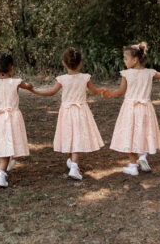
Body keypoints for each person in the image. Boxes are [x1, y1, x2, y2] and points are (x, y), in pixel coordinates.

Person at [101, 42, 160, 176]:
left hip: (130, 109)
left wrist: (110, 93)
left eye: (126, 58)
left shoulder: (127, 74)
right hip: (145, 108)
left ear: (135, 60)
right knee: (144, 132)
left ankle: (132, 166)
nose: (124, 61)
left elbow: (120, 91)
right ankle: (142, 157)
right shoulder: (150, 73)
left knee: (131, 135)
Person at [29, 47, 105, 181]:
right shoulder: (85, 78)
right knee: (77, 136)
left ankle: (73, 164)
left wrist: (35, 91)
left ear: (64, 63)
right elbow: (93, 91)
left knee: (72, 135)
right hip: (80, 111)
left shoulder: (62, 79)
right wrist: (101, 90)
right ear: (80, 63)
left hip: (67, 112)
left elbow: (51, 92)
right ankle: (73, 164)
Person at [0, 52, 33, 187]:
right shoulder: (16, 82)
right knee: (7, 145)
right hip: (12, 118)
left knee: (5, 140)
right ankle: (1, 175)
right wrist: (30, 86)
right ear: (12, 68)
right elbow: (27, 86)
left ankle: (9, 161)